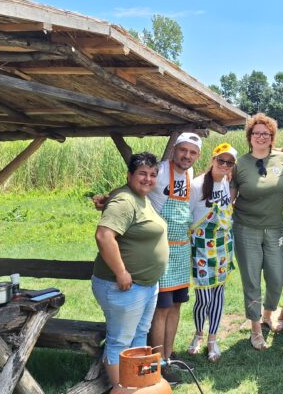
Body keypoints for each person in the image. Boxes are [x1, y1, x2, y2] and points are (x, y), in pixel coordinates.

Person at [92, 152, 168, 390]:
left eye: (153, 174)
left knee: (138, 337)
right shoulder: (124, 201)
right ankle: (121, 389)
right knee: (120, 341)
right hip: (124, 286)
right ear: (130, 175)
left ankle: (138, 385)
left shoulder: (138, 197)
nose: (148, 179)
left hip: (145, 285)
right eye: (142, 174)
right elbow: (104, 236)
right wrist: (121, 272)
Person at [232, 113, 283, 350]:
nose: (261, 137)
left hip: (274, 229)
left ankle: (268, 314)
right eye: (256, 133)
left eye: (266, 133)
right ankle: (255, 328)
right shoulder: (240, 163)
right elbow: (227, 188)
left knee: (276, 277)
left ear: (272, 136)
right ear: (249, 136)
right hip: (247, 229)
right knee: (252, 279)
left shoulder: (282, 159)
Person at [147, 132, 201, 380]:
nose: (187, 156)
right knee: (162, 308)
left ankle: (169, 356)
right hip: (161, 249)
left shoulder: (190, 176)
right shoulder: (158, 171)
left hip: (181, 250)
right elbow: (133, 188)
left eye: (192, 152)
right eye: (183, 150)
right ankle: (157, 364)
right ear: (174, 150)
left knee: (177, 305)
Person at [186, 142, 238, 362]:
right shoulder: (197, 185)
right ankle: (198, 333)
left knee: (218, 294)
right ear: (213, 160)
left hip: (222, 245)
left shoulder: (226, 182)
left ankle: (212, 339)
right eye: (221, 160)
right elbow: (188, 217)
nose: (224, 165)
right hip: (201, 247)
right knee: (203, 297)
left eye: (229, 162)